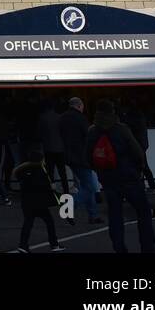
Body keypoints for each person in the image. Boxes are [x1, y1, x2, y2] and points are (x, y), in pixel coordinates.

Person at [86, 100, 155, 254]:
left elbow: (89, 157)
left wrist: (100, 172)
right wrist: (139, 169)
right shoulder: (121, 129)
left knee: (115, 215)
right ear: (113, 112)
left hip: (108, 179)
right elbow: (137, 152)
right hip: (129, 177)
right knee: (143, 212)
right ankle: (147, 247)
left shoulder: (92, 131)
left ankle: (119, 248)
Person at [59, 96, 103, 225]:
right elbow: (88, 136)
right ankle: (70, 206)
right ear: (79, 106)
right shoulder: (81, 119)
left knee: (85, 185)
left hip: (69, 156)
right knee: (88, 187)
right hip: (82, 157)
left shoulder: (62, 118)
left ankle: (93, 215)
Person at [12, 148, 65, 253]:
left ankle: (23, 245)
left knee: (28, 223)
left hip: (27, 202)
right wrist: (53, 188)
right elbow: (45, 186)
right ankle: (54, 244)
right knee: (49, 222)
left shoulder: (22, 171)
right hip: (39, 203)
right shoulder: (42, 171)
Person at [123, 102, 155, 193]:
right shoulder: (141, 118)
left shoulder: (131, 120)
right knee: (144, 166)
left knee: (138, 166)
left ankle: (144, 186)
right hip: (142, 144)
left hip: (137, 145)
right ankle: (152, 186)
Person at [38, 98, 70, 194]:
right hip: (60, 148)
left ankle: (52, 192)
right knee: (62, 172)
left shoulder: (42, 118)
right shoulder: (59, 117)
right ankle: (66, 191)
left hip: (48, 148)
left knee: (50, 172)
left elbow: (39, 133)